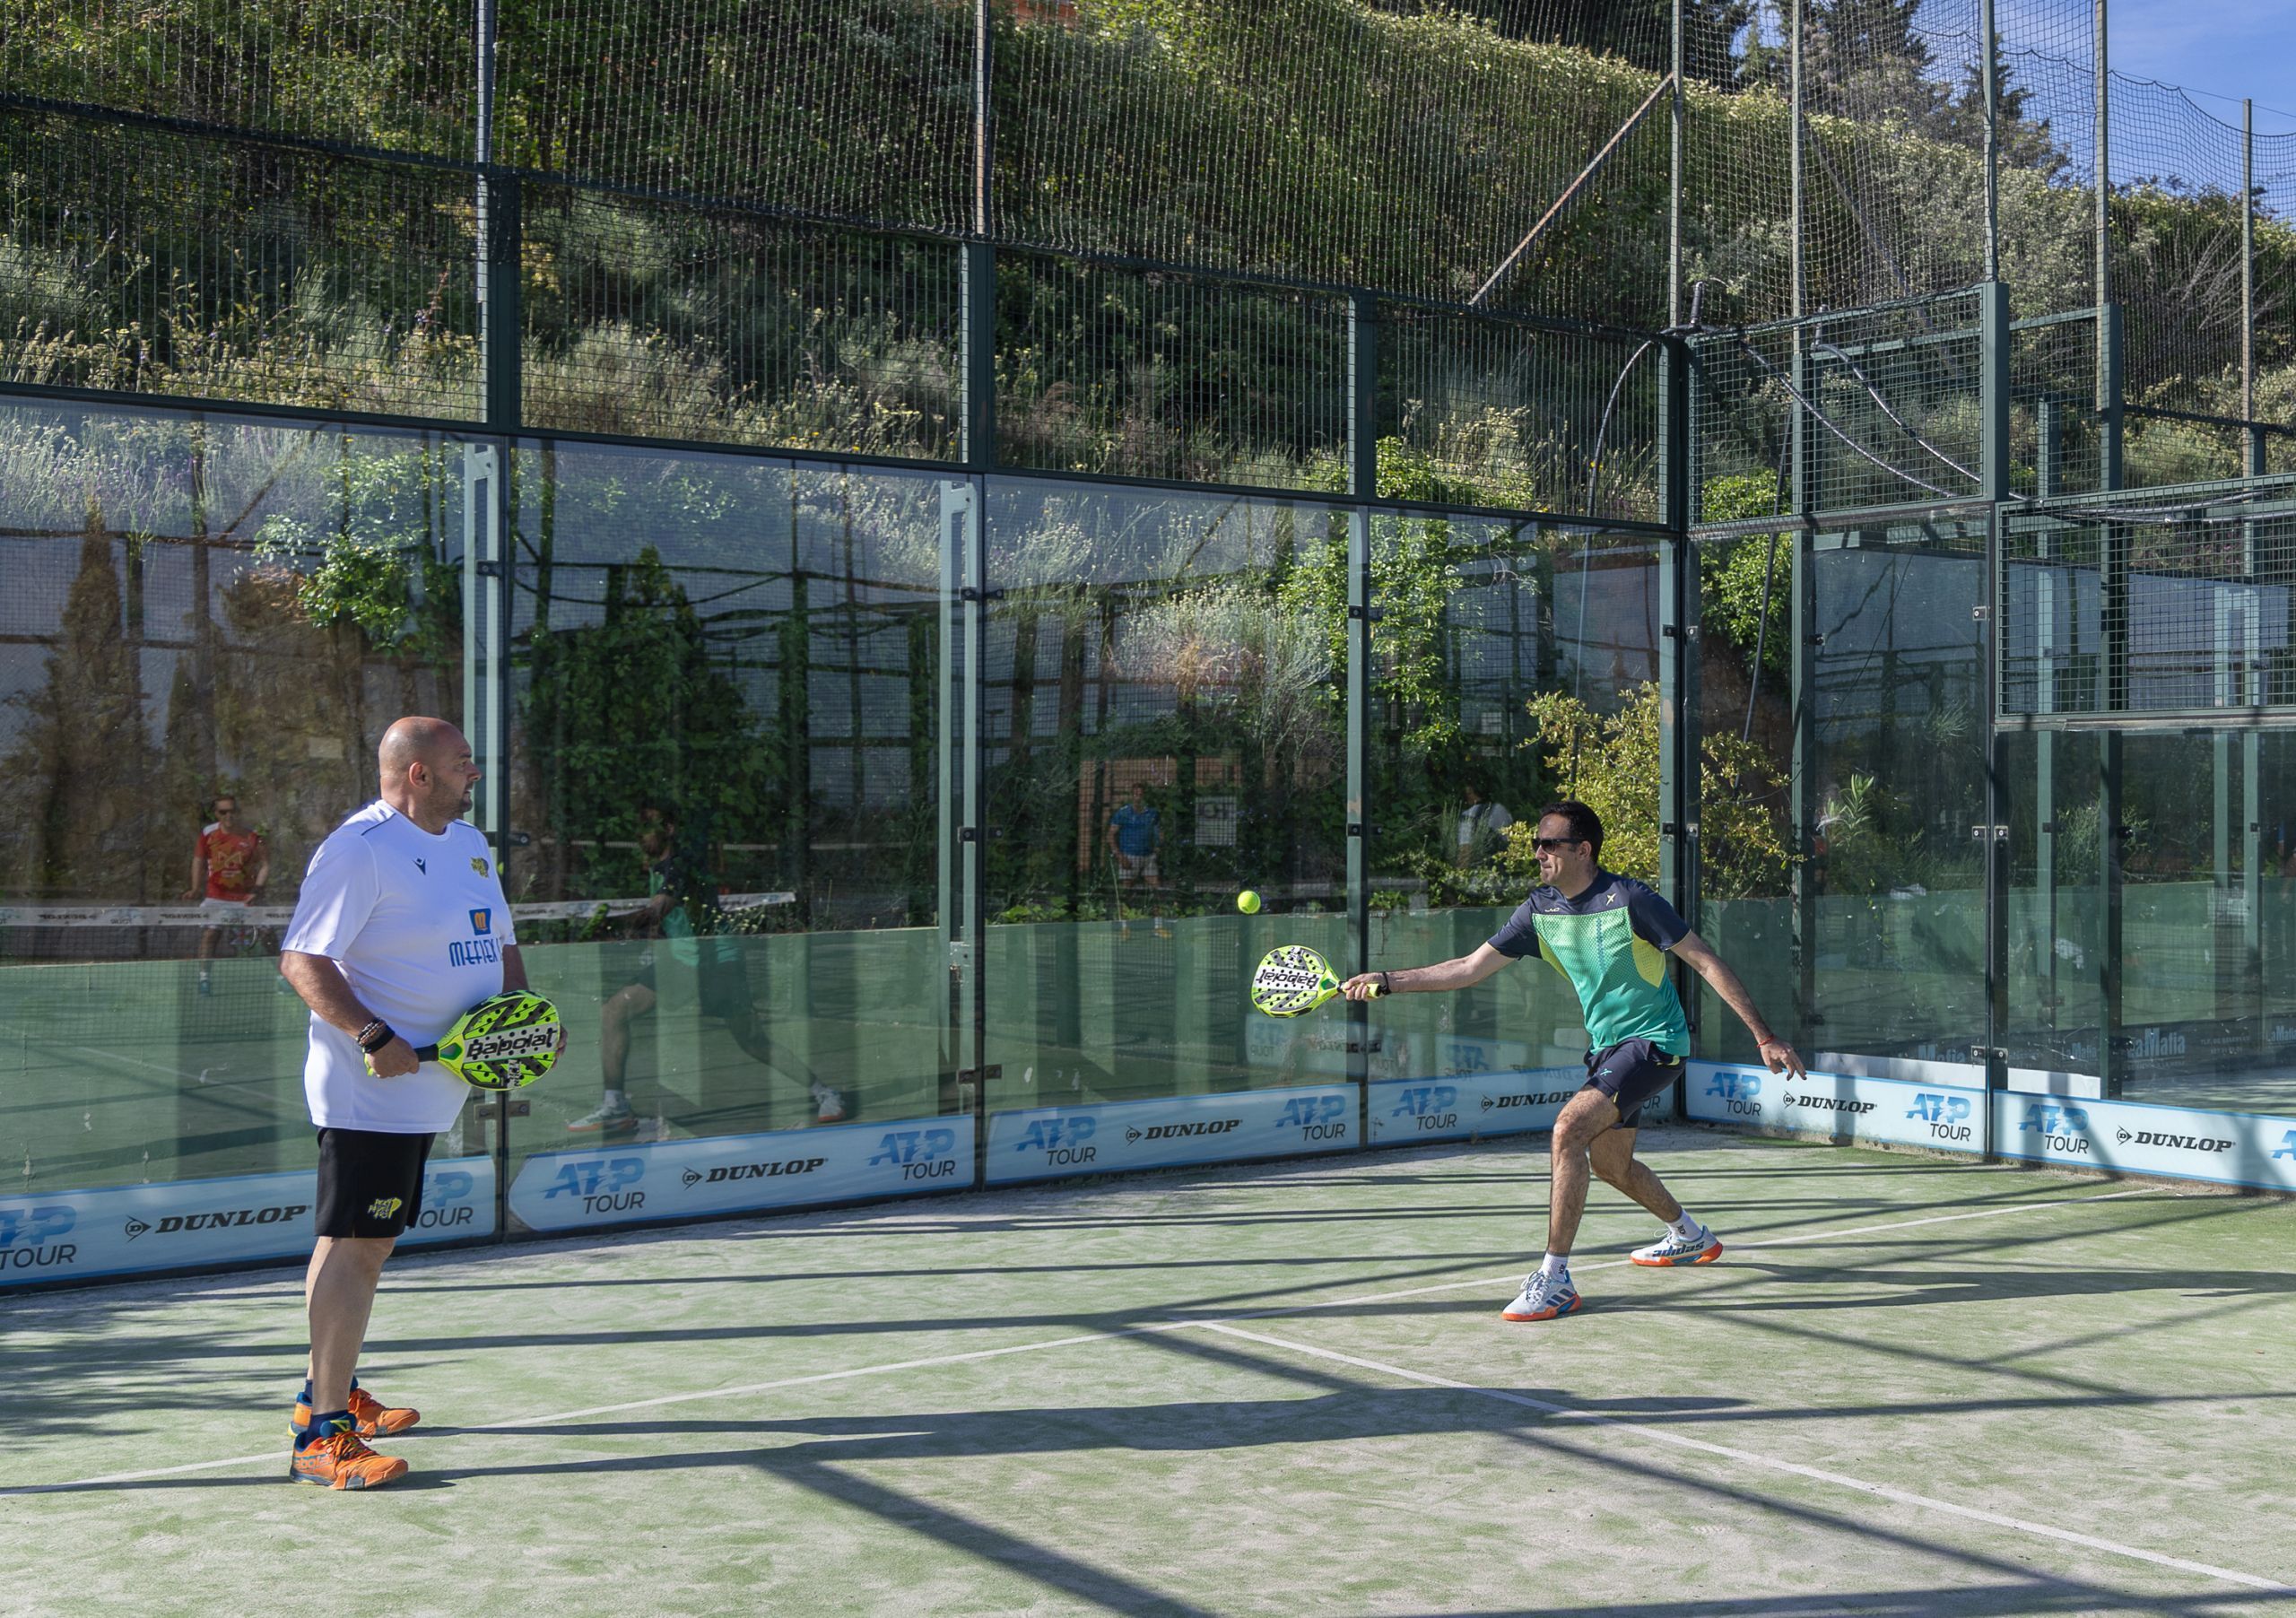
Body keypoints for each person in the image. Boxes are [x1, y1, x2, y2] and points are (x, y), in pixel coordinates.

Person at [1342, 799, 1803, 1324]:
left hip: (1655, 1042)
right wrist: (1388, 980)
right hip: (1608, 1049)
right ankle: (1689, 1235)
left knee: (1568, 1130)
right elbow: (1468, 968)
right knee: (1612, 1167)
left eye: (1549, 844)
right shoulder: (1539, 910)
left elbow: (1705, 961)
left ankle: (1555, 1278)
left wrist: (1764, 1036)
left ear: (1583, 850)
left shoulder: (1631, 899)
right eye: (1535, 844)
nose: (1538, 853)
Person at [277, 716, 558, 1489]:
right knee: (358, 1245)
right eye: (463, 763)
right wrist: (373, 1035)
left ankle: (326, 1393)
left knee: (360, 1241)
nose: (475, 775)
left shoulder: (469, 846)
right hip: (371, 1091)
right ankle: (321, 1436)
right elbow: (302, 959)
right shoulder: (359, 850)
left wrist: (521, 1021)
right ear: (419, 774)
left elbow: (498, 944)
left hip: (434, 1086)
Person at [567, 802, 845, 1137]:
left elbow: (658, 910)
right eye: (639, 829)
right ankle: (615, 1105)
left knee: (752, 1040)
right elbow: (669, 921)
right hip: (682, 961)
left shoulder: (680, 863)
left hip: (718, 960)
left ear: (669, 829)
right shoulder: (657, 868)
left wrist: (609, 926)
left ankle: (824, 1092)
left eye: (650, 827)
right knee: (614, 1011)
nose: (642, 836)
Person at [182, 793, 270, 996]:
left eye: (232, 811)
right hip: (216, 897)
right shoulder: (208, 835)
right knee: (210, 934)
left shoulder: (252, 836)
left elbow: (265, 865)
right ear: (216, 814)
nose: (228, 816)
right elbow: (198, 861)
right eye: (223, 812)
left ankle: (282, 978)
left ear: (238, 812)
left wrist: (256, 891)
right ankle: (204, 979)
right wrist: (195, 888)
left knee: (267, 933)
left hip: (246, 898)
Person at [1107, 782, 1167, 938]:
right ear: (1131, 796)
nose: (1138, 797)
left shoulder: (1153, 813)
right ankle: (1124, 928)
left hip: (1148, 857)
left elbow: (1159, 833)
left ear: (1144, 796)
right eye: (1135, 794)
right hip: (1129, 857)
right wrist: (1120, 856)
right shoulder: (1123, 813)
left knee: (1157, 889)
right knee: (1126, 892)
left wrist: (1157, 848)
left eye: (1140, 794)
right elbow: (1110, 835)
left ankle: (1158, 927)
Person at [1456, 779, 1514, 868]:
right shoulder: (1501, 810)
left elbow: (1465, 849)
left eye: (1468, 793)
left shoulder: (1468, 816)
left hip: (1481, 870)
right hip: (1505, 867)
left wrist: (1459, 872)